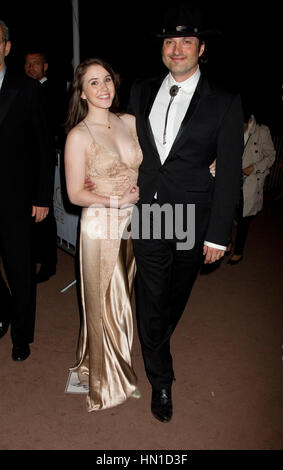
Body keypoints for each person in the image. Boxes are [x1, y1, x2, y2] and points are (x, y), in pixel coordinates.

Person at [128, 3, 243, 422]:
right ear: (162, 48)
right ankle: (162, 380)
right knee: (152, 294)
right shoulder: (140, 90)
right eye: (170, 42)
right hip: (149, 212)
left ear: (201, 48)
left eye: (186, 42)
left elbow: (230, 173)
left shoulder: (225, 103)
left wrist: (217, 235)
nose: (177, 49)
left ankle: (156, 337)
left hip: (192, 214)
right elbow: (124, 142)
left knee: (174, 296)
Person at [64, 58, 142, 411]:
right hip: (100, 225)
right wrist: (115, 199)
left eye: (107, 79)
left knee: (124, 299)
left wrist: (206, 163)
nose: (103, 88)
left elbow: (160, 159)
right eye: (93, 83)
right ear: (81, 92)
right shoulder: (78, 136)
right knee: (104, 302)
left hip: (134, 224)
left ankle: (114, 363)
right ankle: (105, 379)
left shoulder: (128, 122)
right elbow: (75, 194)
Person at [0, 20, 55, 360]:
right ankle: (4, 308)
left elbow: (44, 148)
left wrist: (42, 196)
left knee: (21, 269)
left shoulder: (27, 88)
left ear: (6, 47)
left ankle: (21, 335)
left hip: (16, 199)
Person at [24, 50, 58, 282]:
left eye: (35, 64)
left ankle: (49, 262)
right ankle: (37, 254)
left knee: (45, 212)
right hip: (26, 164)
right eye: (27, 64)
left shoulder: (51, 91)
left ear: (45, 66)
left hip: (45, 160)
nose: (30, 68)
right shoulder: (23, 90)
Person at [227, 108, 276, 264]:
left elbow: (271, 156)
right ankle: (227, 241)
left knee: (244, 219)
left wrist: (254, 167)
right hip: (232, 179)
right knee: (225, 213)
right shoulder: (230, 127)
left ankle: (239, 251)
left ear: (249, 120)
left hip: (250, 182)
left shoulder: (262, 131)